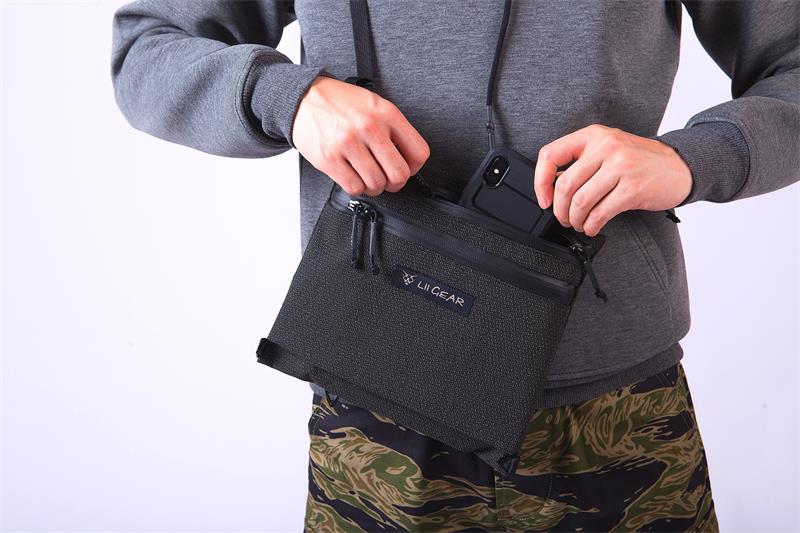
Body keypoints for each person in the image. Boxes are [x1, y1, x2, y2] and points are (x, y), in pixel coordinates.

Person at [110, 1, 798, 530]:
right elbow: (146, 47)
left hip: (619, 409)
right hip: (380, 398)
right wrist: (289, 98)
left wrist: (691, 158)